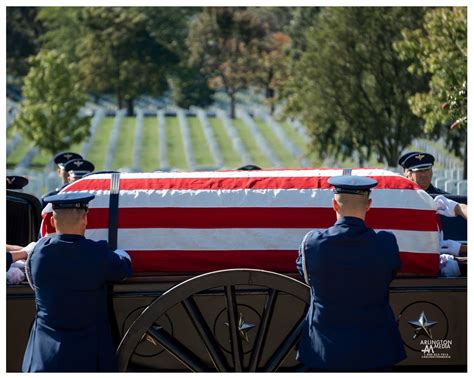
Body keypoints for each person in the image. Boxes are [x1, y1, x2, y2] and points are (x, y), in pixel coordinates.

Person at [296, 175, 406, 371]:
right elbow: (391, 270)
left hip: (324, 351)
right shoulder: (386, 243)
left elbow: (305, 273)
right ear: (369, 205)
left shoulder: (312, 243)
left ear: (334, 205)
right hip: (375, 351)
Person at [22, 192, 133, 372]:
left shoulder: (39, 253)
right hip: (87, 360)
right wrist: (116, 252)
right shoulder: (97, 254)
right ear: (85, 220)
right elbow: (124, 266)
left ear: (52, 222)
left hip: (43, 358)